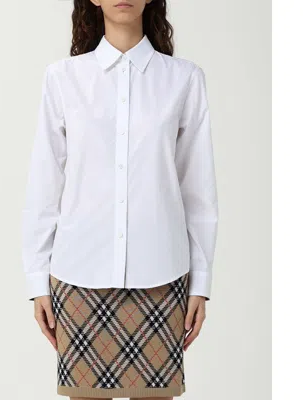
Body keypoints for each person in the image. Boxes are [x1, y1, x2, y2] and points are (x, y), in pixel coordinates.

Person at [22, 0, 219, 399]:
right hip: (78, 274)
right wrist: (37, 279)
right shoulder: (63, 78)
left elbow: (198, 190)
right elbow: (45, 184)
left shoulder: (184, 79)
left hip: (162, 275)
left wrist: (201, 282)